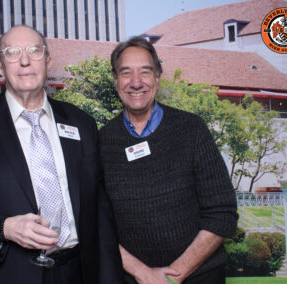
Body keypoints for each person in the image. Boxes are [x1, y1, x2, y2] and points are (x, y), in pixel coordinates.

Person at [0, 25, 122, 284]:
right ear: (0, 68)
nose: (24, 60)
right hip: (9, 274)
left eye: (34, 50)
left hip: (79, 272)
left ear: (48, 60)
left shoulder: (81, 123)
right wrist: (4, 228)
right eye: (12, 52)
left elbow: (100, 210)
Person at [99, 36, 238, 284]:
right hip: (132, 279)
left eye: (145, 72)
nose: (136, 82)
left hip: (200, 277)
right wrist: (143, 274)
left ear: (157, 77)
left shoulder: (192, 129)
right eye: (126, 73)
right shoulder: (100, 142)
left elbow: (222, 213)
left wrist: (173, 276)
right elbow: (97, 224)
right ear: (116, 80)